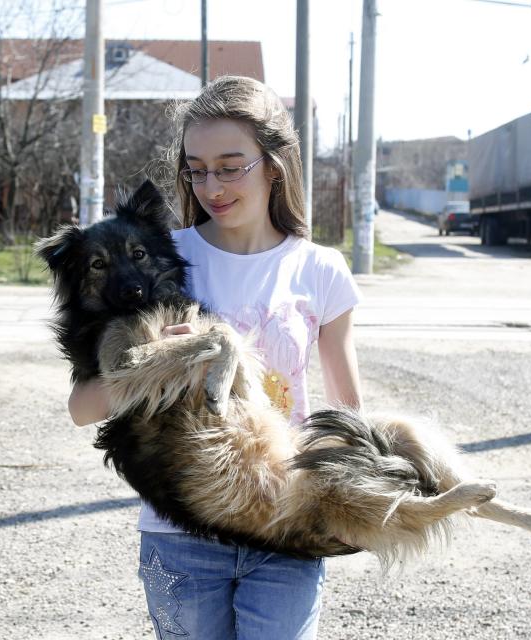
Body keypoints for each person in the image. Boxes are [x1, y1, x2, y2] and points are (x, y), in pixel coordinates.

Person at [67, 75, 363, 640]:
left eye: (230, 166)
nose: (211, 186)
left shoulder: (321, 270)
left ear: (274, 163)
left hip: (282, 517)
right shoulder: (152, 257)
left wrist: (364, 498)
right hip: (181, 531)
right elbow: (83, 407)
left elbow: (349, 412)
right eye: (195, 169)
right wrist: (156, 359)